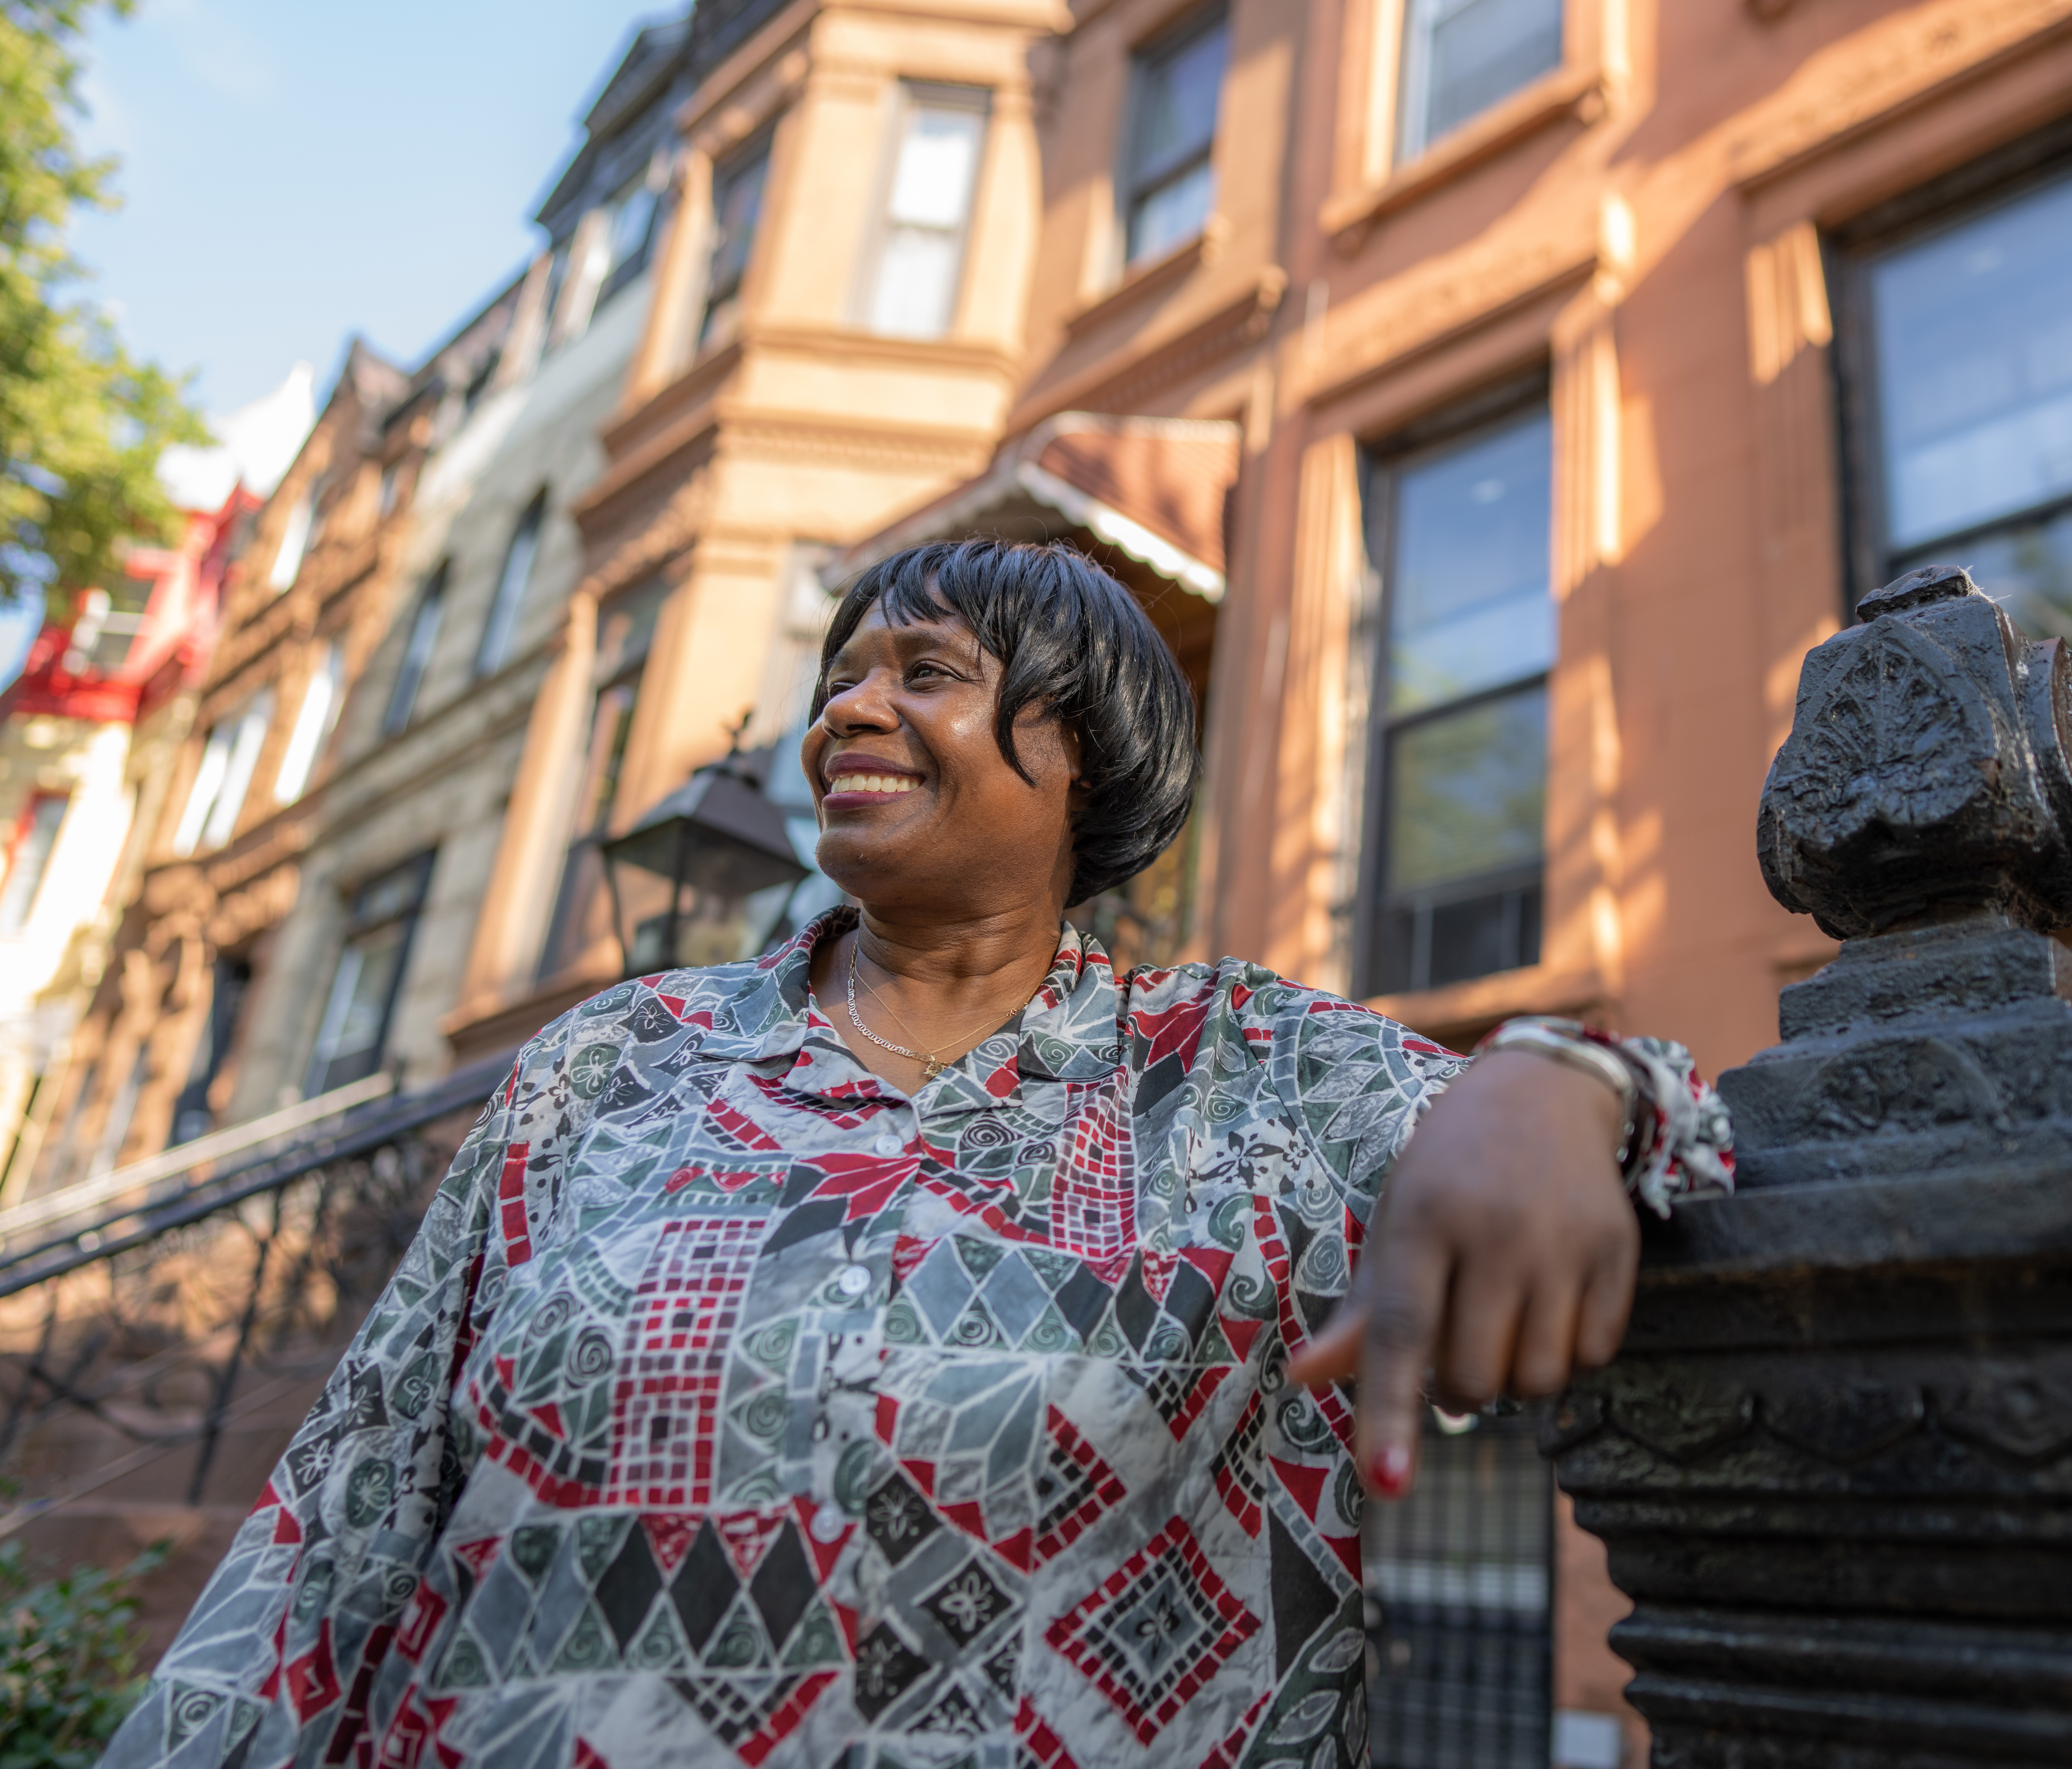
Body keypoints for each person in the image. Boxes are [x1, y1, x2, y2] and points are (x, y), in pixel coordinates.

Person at [106, 539, 1731, 1769]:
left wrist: (1556, 1086)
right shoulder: (612, 1063)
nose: (851, 711)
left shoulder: (1259, 1077)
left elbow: (1711, 1150)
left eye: (929, 672)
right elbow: (338, 1524)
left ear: (1084, 757)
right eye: (845, 676)